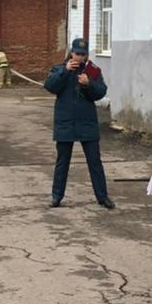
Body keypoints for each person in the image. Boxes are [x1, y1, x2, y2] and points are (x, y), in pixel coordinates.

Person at [43, 38, 113, 210]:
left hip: (87, 122)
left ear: (86, 55)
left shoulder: (92, 71)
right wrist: (65, 72)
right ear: (71, 53)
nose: (79, 57)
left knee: (95, 161)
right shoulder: (59, 68)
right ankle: (56, 196)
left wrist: (89, 84)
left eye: (82, 54)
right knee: (62, 162)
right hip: (65, 122)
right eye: (76, 54)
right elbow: (50, 86)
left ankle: (102, 197)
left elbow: (101, 92)